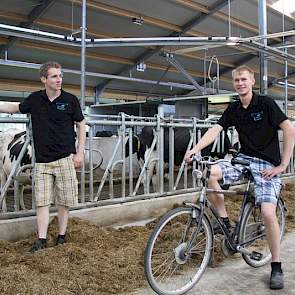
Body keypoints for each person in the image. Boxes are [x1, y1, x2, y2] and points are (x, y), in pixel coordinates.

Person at [184, 65, 295, 290]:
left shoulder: (266, 104)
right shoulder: (234, 108)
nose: (240, 83)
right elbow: (215, 129)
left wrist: (282, 164)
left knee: (267, 212)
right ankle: (224, 220)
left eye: (244, 79)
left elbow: (289, 129)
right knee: (209, 173)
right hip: (243, 159)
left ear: (252, 81)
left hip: (267, 164)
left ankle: (276, 265)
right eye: (236, 80)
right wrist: (195, 149)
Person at [0, 61, 86, 253]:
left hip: (65, 159)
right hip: (42, 161)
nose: (59, 79)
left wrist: (80, 152)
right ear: (44, 79)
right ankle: (41, 239)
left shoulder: (70, 100)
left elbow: (81, 124)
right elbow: (15, 107)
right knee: (41, 201)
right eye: (54, 76)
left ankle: (62, 237)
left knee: (64, 201)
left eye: (60, 75)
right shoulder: (35, 100)